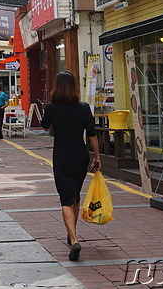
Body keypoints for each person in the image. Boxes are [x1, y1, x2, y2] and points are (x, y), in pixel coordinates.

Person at [40, 71, 101, 262]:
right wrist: (97, 157)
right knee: (75, 195)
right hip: (81, 156)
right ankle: (71, 232)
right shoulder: (83, 108)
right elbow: (92, 134)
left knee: (66, 198)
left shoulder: (51, 108)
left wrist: (47, 111)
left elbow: (43, 126)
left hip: (62, 157)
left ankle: (74, 240)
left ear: (57, 86)